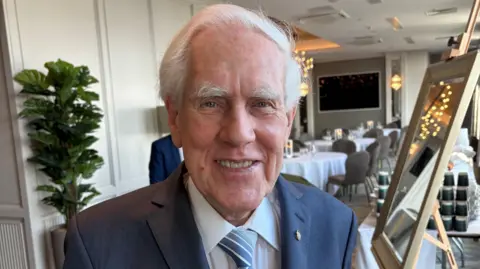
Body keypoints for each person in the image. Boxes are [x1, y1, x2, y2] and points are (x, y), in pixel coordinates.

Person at [62, 4, 357, 269]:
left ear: (288, 120)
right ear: (175, 119)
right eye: (211, 103)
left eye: (262, 104)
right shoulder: (97, 244)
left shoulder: (336, 225)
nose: (239, 134)